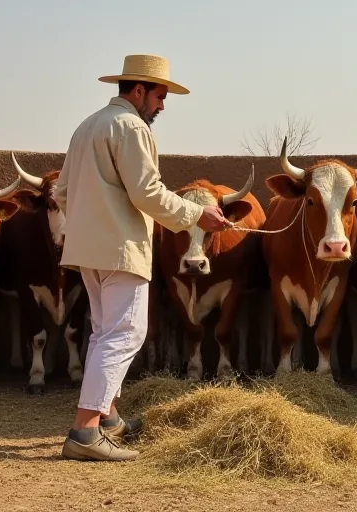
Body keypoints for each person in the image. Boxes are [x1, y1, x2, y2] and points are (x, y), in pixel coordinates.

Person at [53, 54, 229, 461]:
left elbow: (61, 192)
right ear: (138, 90)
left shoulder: (87, 126)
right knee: (124, 334)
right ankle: (84, 432)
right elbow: (148, 193)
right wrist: (196, 215)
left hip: (89, 250)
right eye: (160, 96)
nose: (162, 106)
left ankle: (109, 419)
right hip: (120, 247)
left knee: (103, 333)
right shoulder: (130, 127)